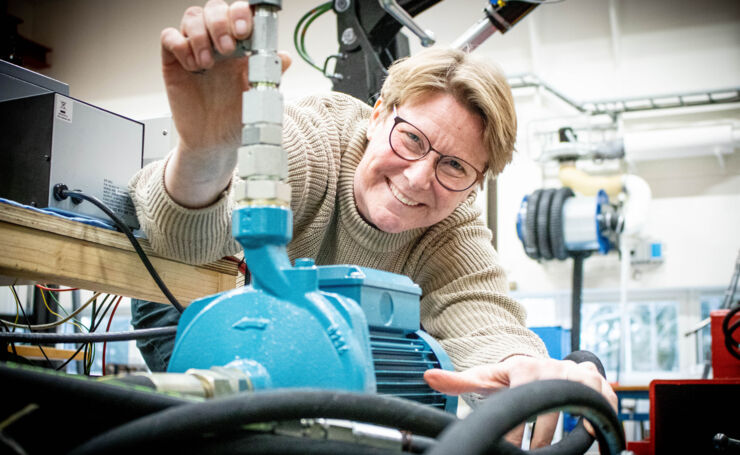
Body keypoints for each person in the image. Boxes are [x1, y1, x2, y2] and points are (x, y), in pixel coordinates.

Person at [129, 0, 617, 447]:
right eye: (412, 139)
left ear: (477, 182)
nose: (420, 177)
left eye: (455, 167)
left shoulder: (450, 223)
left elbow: (482, 316)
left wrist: (517, 369)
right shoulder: (316, 140)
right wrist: (206, 155)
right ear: (379, 114)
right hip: (193, 311)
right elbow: (185, 241)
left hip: (317, 357)